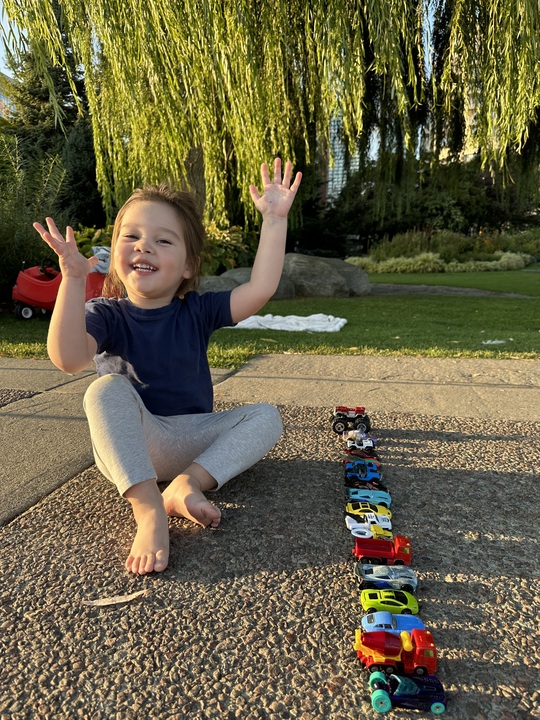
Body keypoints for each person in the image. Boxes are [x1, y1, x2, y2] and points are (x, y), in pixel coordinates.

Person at [34, 158, 302, 575]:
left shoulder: (197, 310)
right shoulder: (105, 314)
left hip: (192, 438)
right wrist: (71, 279)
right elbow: (68, 359)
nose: (144, 246)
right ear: (115, 252)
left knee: (266, 417)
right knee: (103, 390)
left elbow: (261, 288)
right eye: (133, 236)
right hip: (132, 446)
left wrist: (273, 220)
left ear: (190, 266)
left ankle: (187, 484)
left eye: (163, 241)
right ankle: (148, 509)